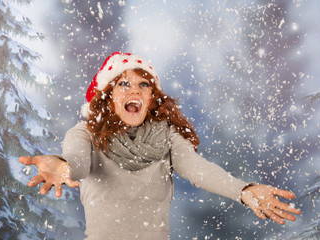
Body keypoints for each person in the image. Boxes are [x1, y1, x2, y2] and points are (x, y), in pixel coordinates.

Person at [19, 52, 301, 240]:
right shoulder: (85, 133)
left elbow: (197, 169)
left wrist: (243, 190)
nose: (135, 91)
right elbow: (76, 161)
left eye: (144, 85)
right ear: (108, 97)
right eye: (123, 84)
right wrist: (62, 166)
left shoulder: (166, 136)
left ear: (152, 97)